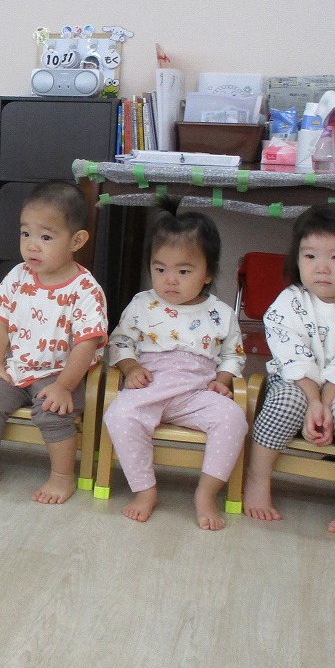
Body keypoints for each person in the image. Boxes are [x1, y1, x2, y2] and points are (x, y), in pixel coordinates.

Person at [243, 204, 335, 537]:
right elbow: (291, 355)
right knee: (286, 399)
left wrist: (327, 400)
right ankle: (258, 477)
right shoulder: (289, 301)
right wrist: (313, 400)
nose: (321, 268)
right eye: (309, 256)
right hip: (298, 385)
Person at [101, 208, 249, 529]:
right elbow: (120, 341)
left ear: (207, 273)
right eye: (160, 269)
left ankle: (206, 494)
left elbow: (233, 354)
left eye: (183, 271)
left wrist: (223, 379)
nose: (169, 280)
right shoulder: (142, 303)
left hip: (196, 393)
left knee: (233, 417)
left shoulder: (220, 313)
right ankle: (145, 490)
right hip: (149, 386)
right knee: (118, 414)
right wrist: (130, 367)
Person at [0, 180, 108, 503]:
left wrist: (64, 386)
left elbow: (85, 345)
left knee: (52, 411)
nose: (32, 246)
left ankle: (62, 477)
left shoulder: (85, 289)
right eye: (25, 233)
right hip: (18, 368)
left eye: (46, 237)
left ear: (76, 241)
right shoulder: (18, 276)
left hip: (63, 374)